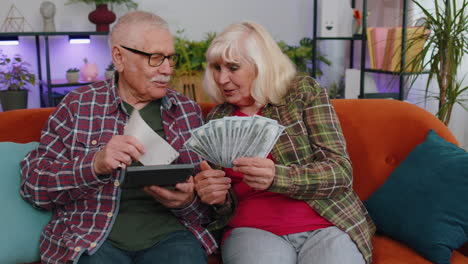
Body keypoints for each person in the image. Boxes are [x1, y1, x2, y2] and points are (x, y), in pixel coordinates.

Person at [20, 11, 217, 264]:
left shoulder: (187, 111)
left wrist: (187, 201)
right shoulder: (77, 106)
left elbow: (211, 208)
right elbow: (34, 186)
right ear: (119, 58)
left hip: (172, 236)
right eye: (155, 58)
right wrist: (94, 164)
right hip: (92, 237)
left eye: (170, 58)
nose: (167, 69)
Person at [194, 21, 376, 264]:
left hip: (327, 224)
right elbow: (222, 207)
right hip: (252, 230)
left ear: (261, 66)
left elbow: (340, 172)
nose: (221, 78)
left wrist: (278, 177)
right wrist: (215, 197)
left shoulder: (303, 93)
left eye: (233, 67)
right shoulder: (218, 118)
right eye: (216, 67)